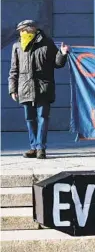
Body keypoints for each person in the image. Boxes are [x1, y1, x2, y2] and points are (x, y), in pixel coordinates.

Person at [8, 20, 69, 159]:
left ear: (33, 29)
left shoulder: (47, 42)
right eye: (20, 30)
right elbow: (14, 70)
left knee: (42, 117)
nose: (22, 32)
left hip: (43, 87)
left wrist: (62, 53)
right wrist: (12, 89)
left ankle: (41, 147)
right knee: (29, 118)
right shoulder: (17, 46)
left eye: (24, 29)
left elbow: (57, 63)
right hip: (25, 87)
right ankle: (33, 147)